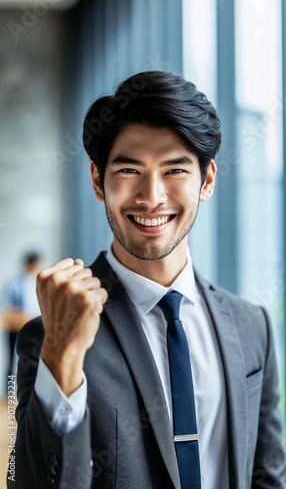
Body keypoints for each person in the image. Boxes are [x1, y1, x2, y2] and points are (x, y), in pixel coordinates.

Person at [8, 72, 286, 489]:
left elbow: (267, 477)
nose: (152, 195)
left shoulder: (252, 328)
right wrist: (62, 356)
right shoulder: (49, 335)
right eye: (130, 169)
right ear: (99, 181)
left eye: (174, 169)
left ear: (206, 181)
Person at [1, 252, 41, 377]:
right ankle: (10, 394)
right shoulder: (15, 284)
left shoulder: (39, 283)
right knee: (12, 360)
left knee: (31, 359)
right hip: (15, 327)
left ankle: (26, 392)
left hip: (34, 326)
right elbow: (5, 307)